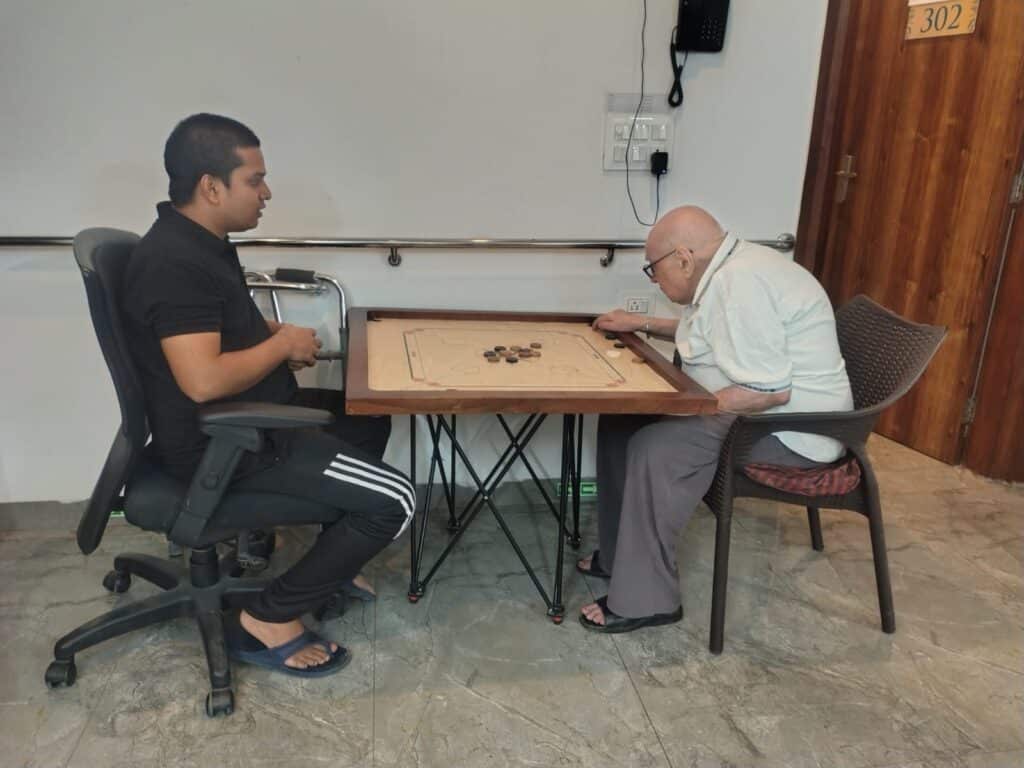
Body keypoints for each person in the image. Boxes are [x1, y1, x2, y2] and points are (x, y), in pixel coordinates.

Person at [123, 113, 412, 675]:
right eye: (254, 180)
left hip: (254, 419)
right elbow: (202, 380)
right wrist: (280, 350)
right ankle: (270, 617)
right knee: (395, 501)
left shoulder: (203, 243)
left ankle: (332, 560)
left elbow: (235, 329)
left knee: (368, 417)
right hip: (230, 440)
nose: (266, 192)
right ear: (211, 186)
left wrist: (280, 338)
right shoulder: (175, 264)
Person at [578, 205, 853, 633]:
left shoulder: (739, 282)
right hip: (761, 412)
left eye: (654, 270)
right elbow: (709, 329)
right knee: (621, 421)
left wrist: (686, 408)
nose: (655, 281)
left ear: (684, 259)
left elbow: (769, 391)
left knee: (656, 447)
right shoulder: (730, 269)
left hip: (794, 432)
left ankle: (647, 600)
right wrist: (642, 322)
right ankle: (619, 556)